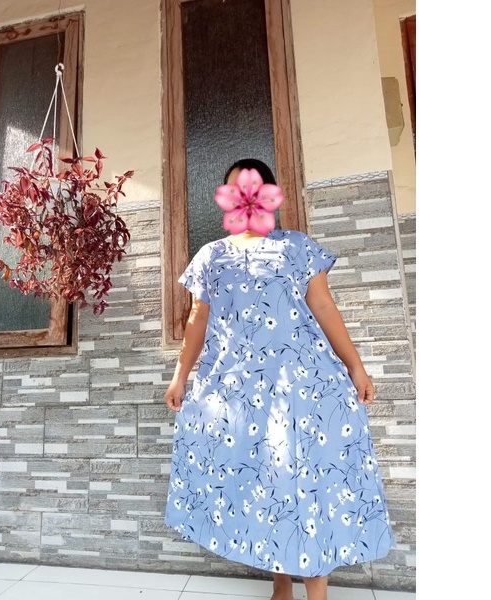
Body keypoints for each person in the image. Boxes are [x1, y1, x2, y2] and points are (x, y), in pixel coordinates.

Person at [164, 159, 394, 600]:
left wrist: (356, 365)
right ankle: (281, 586)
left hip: (305, 389)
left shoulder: (297, 246)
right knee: (266, 486)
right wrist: (180, 378)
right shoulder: (211, 256)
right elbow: (197, 321)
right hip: (241, 394)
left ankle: (317, 595)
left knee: (308, 484)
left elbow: (323, 307)